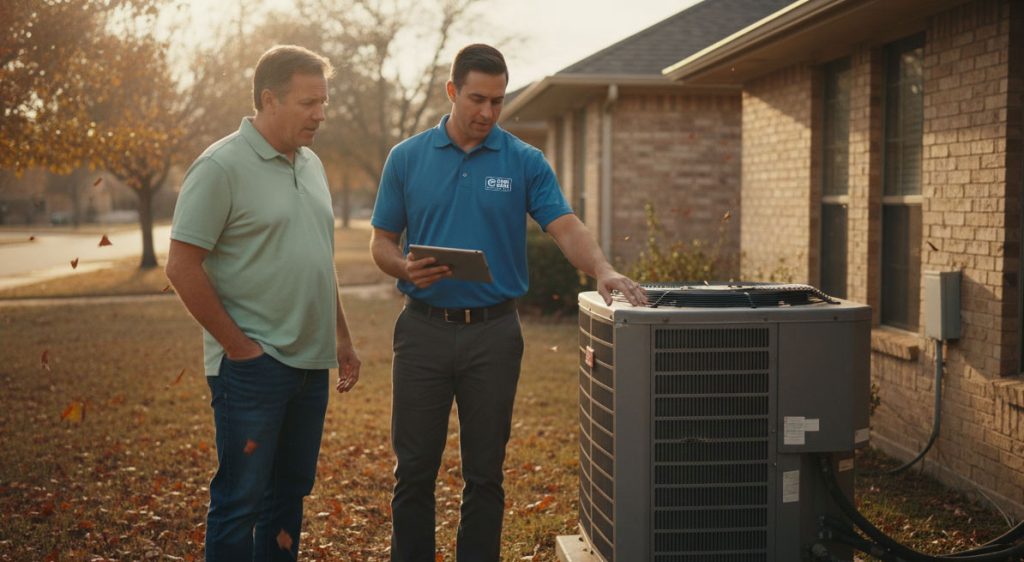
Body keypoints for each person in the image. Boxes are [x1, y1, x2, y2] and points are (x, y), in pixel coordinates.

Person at [370, 43, 648, 562]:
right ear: (452, 91)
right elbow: (381, 242)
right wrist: (404, 266)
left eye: (497, 101)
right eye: (477, 98)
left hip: (493, 336)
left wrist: (603, 268)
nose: (487, 112)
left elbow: (565, 226)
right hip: (422, 331)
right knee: (413, 472)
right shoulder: (406, 158)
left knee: (485, 473)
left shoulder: (524, 161)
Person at [165, 45, 361, 561]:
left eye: (323, 102)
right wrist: (241, 348)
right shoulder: (220, 166)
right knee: (239, 502)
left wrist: (341, 338)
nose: (320, 114)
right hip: (253, 368)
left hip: (310, 365)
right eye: (308, 103)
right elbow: (182, 266)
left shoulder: (312, 162)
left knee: (288, 498)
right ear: (269, 100)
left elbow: (318, 256)